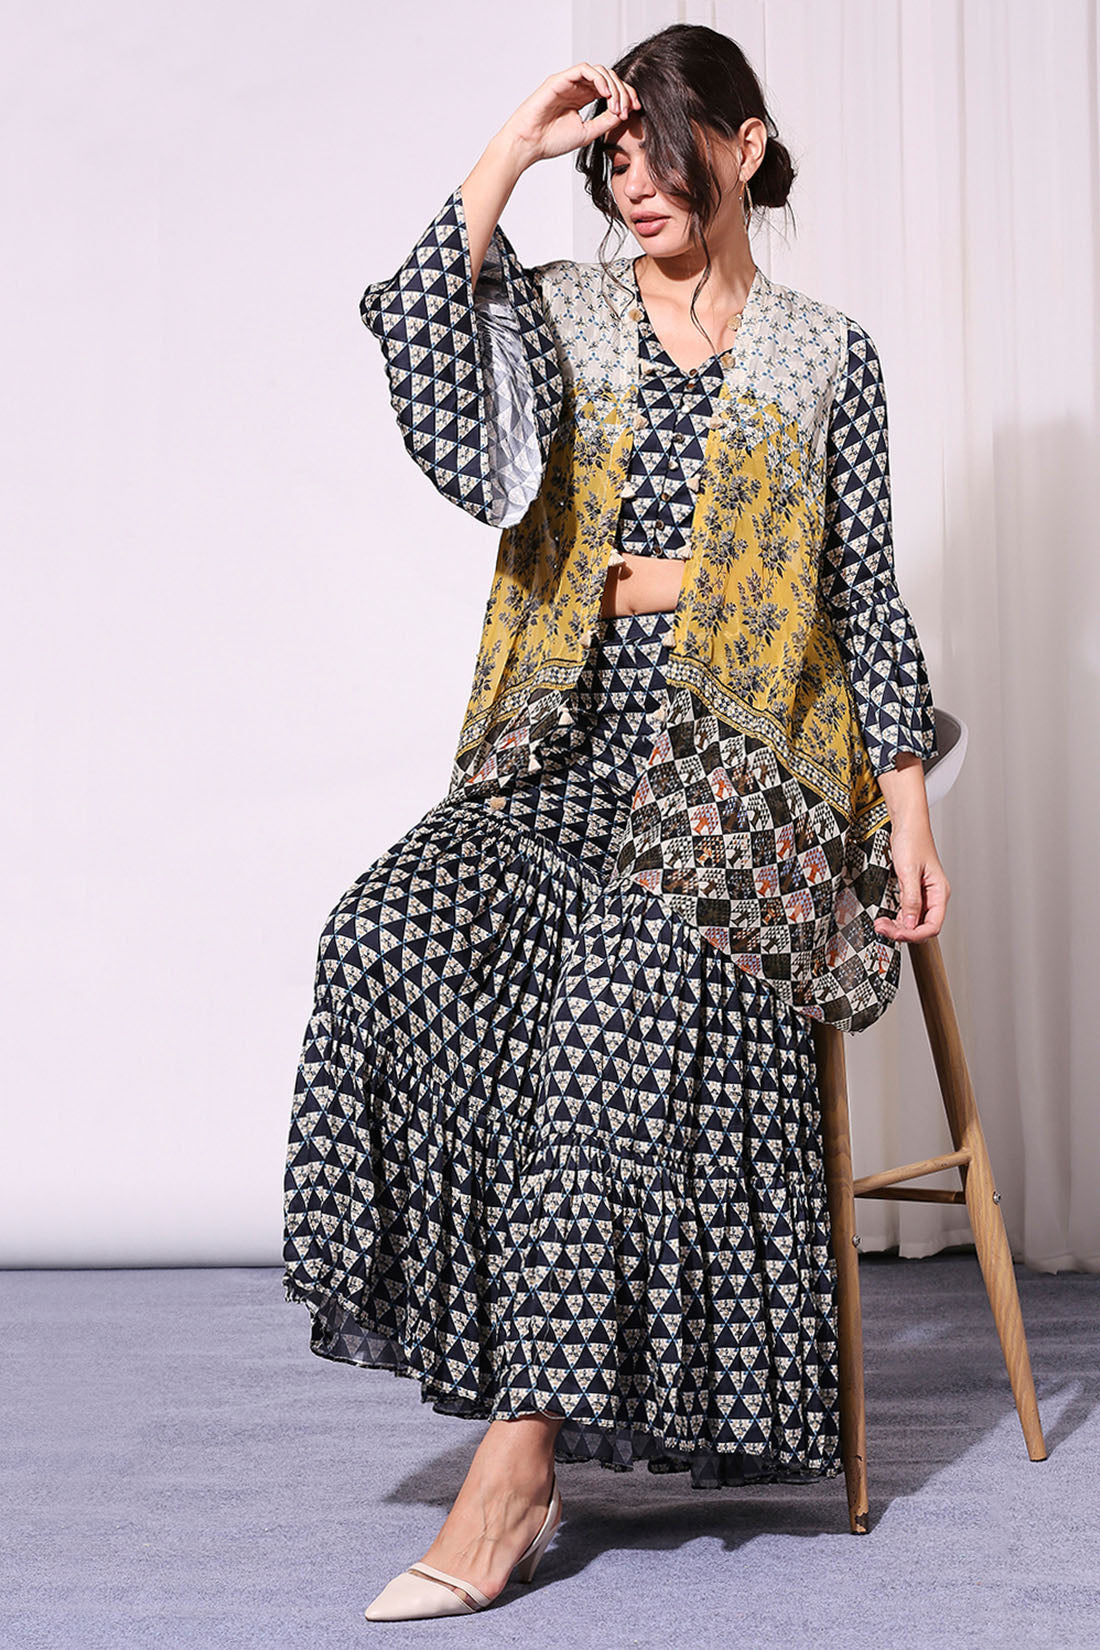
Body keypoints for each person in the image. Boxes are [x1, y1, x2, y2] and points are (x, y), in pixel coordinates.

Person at [282, 23, 951, 1623]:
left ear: (744, 145)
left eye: (662, 149)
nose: (635, 181)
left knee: (619, 987)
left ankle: (517, 1466)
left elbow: (861, 595)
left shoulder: (827, 358)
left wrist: (907, 807)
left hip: (747, 776)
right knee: (387, 928)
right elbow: (437, 382)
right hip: (562, 760)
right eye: (615, 159)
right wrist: (512, 151)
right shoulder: (564, 316)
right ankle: (508, 1342)